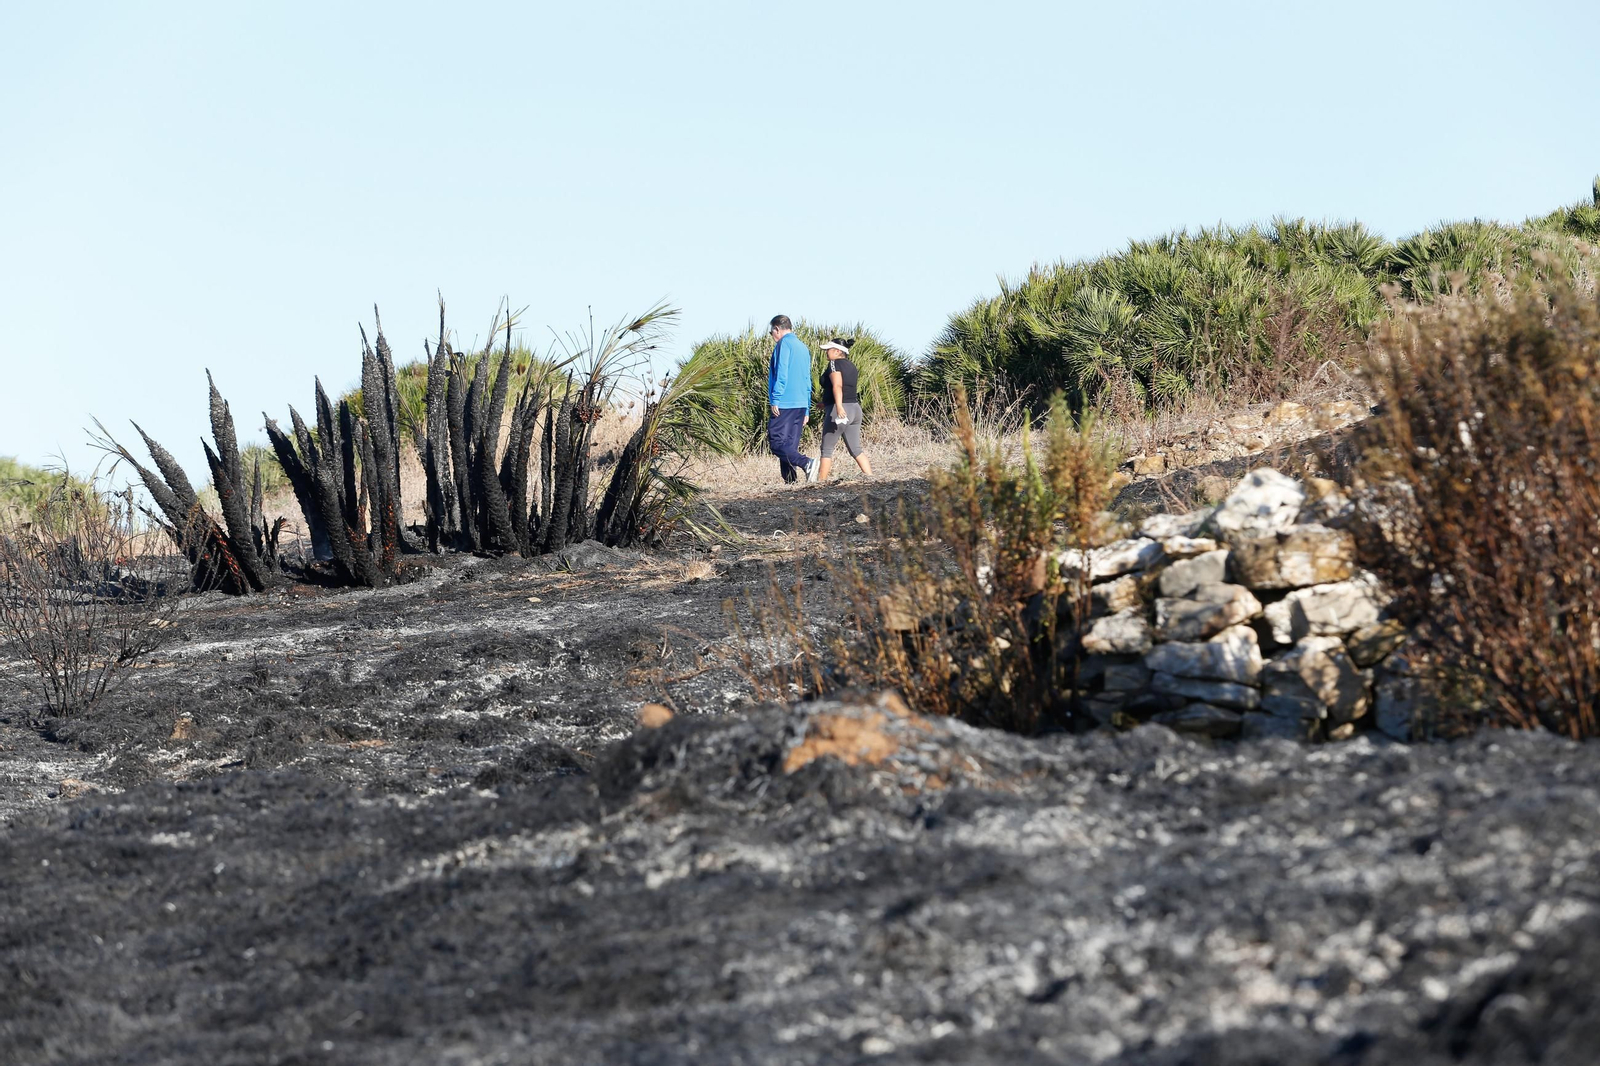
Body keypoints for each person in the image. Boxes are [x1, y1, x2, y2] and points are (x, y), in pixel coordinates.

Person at [765, 315, 818, 483]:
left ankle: (806, 463)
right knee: (789, 445)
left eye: (771, 332)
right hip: (801, 402)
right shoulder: (803, 347)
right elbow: (807, 378)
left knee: (776, 442)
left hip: (785, 401)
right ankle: (790, 482)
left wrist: (776, 399)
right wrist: (807, 408)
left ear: (777, 329)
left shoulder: (784, 344)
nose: (772, 336)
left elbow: (782, 373)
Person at [815, 338, 873, 481]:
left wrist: (839, 407)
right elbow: (847, 388)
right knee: (856, 449)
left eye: (828, 350)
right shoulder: (851, 366)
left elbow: (838, 386)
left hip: (841, 409)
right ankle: (871, 479)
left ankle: (820, 483)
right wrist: (826, 402)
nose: (826, 353)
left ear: (837, 351)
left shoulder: (834, 364)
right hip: (855, 409)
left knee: (826, 449)